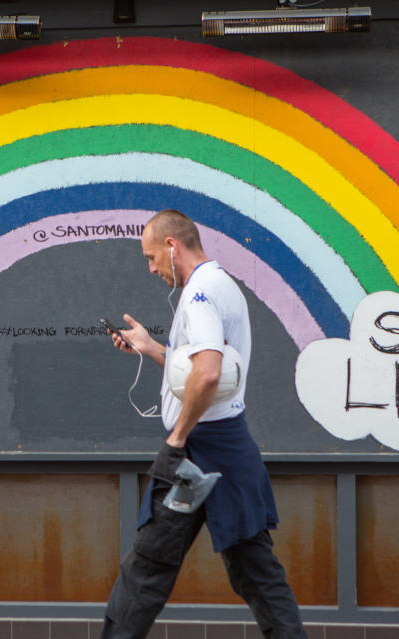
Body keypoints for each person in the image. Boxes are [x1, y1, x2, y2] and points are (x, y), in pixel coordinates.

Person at [100, 209, 307, 639]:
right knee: (251, 572)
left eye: (152, 256)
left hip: (202, 452)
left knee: (150, 568)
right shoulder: (216, 284)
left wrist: (176, 440)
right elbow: (196, 371)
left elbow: (209, 374)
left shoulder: (200, 295)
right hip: (222, 449)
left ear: (173, 246)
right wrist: (152, 348)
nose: (152, 268)